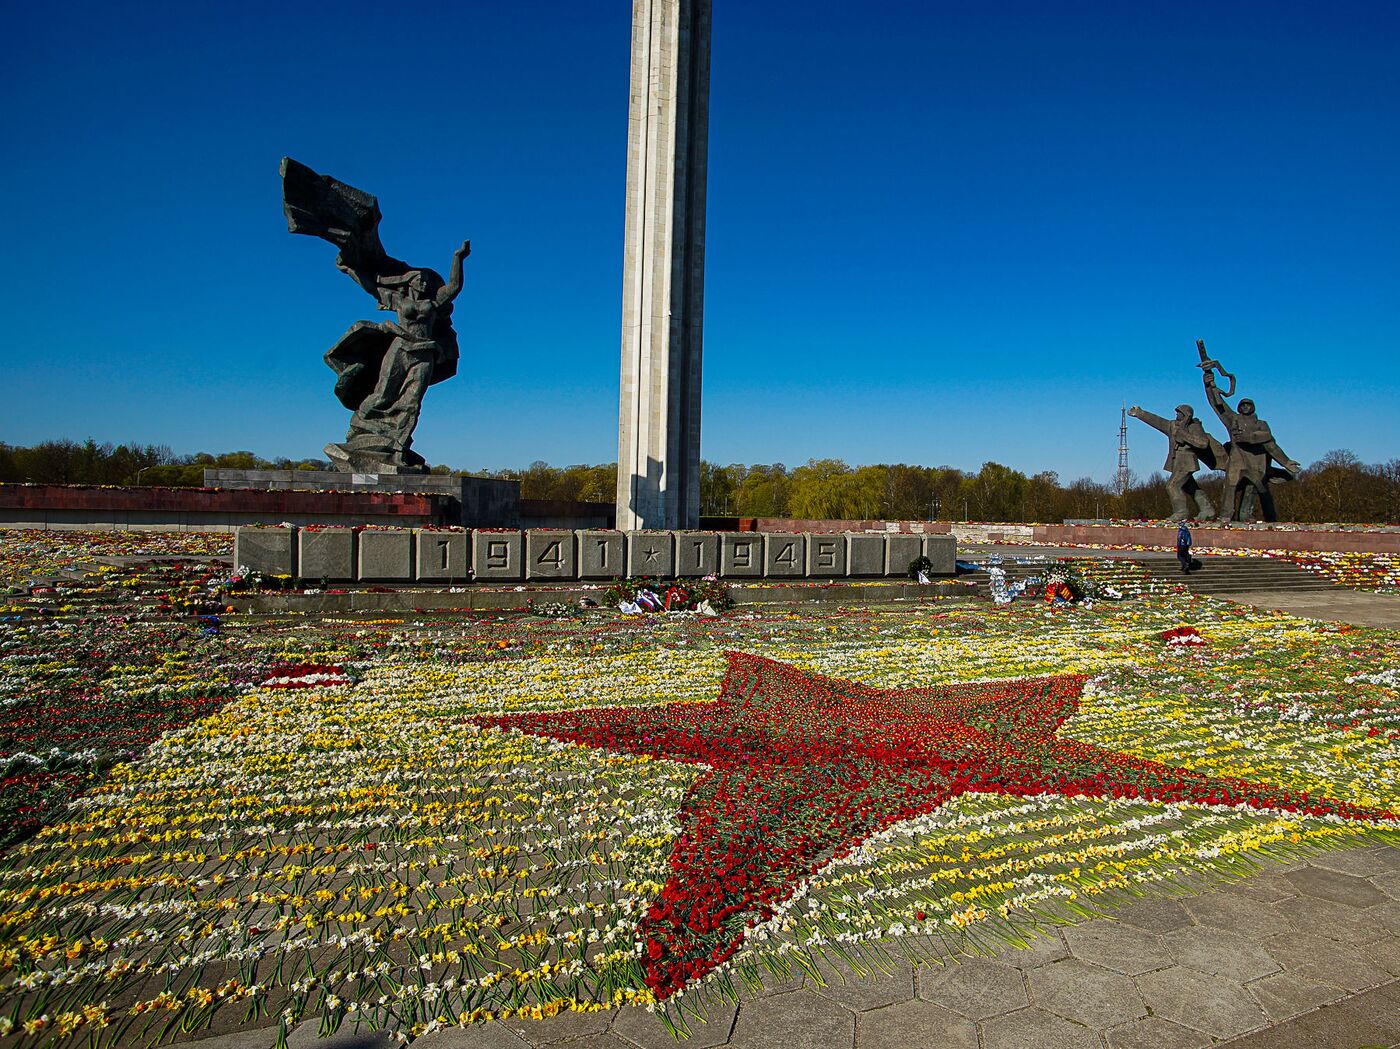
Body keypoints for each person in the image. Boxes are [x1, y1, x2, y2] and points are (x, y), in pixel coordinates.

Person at [1201, 368, 1301, 522]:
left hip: (1257, 461)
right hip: (1237, 459)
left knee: (1252, 490)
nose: (1246, 407)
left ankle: (1245, 515)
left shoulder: (1262, 424)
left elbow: (1271, 445)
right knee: (1231, 487)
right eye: (1243, 405)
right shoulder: (1233, 419)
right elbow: (1218, 406)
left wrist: (1286, 462)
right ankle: (1226, 515)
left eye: (1249, 405)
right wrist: (1208, 385)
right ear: (1239, 407)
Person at [1127, 404, 1224, 521]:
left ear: (1187, 415)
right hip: (1176, 460)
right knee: (1191, 487)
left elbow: (1203, 443)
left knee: (1172, 486)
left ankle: (1181, 512)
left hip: (1187, 461)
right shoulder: (1172, 425)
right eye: (1177, 412)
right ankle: (1207, 510)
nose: (1177, 414)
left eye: (1180, 413)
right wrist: (1140, 413)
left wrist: (1184, 435)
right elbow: (1158, 421)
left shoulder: (1194, 427)